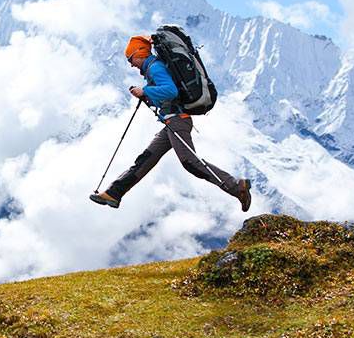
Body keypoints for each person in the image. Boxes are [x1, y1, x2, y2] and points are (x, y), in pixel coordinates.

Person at [89, 35, 252, 211]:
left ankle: (237, 187)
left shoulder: (155, 67)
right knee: (145, 160)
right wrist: (146, 94)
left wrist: (144, 90)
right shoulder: (154, 67)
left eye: (131, 59)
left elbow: (170, 91)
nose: (131, 64)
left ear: (139, 53)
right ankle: (114, 193)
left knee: (190, 162)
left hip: (177, 121)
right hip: (171, 122)